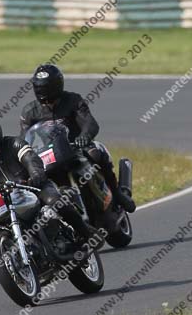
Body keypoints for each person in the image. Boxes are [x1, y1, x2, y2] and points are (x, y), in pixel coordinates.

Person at [0, 112, 96, 247]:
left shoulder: (14, 144)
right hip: (7, 201)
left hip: (33, 188)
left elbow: (31, 159)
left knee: (55, 201)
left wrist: (36, 175)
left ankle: (86, 233)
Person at [20, 65, 135, 213]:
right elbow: (24, 140)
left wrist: (84, 137)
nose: (43, 91)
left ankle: (117, 193)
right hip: (49, 155)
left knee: (96, 152)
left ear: (57, 85)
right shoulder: (30, 112)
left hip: (77, 148)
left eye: (47, 87)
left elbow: (89, 123)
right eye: (40, 87)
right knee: (35, 178)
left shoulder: (73, 101)